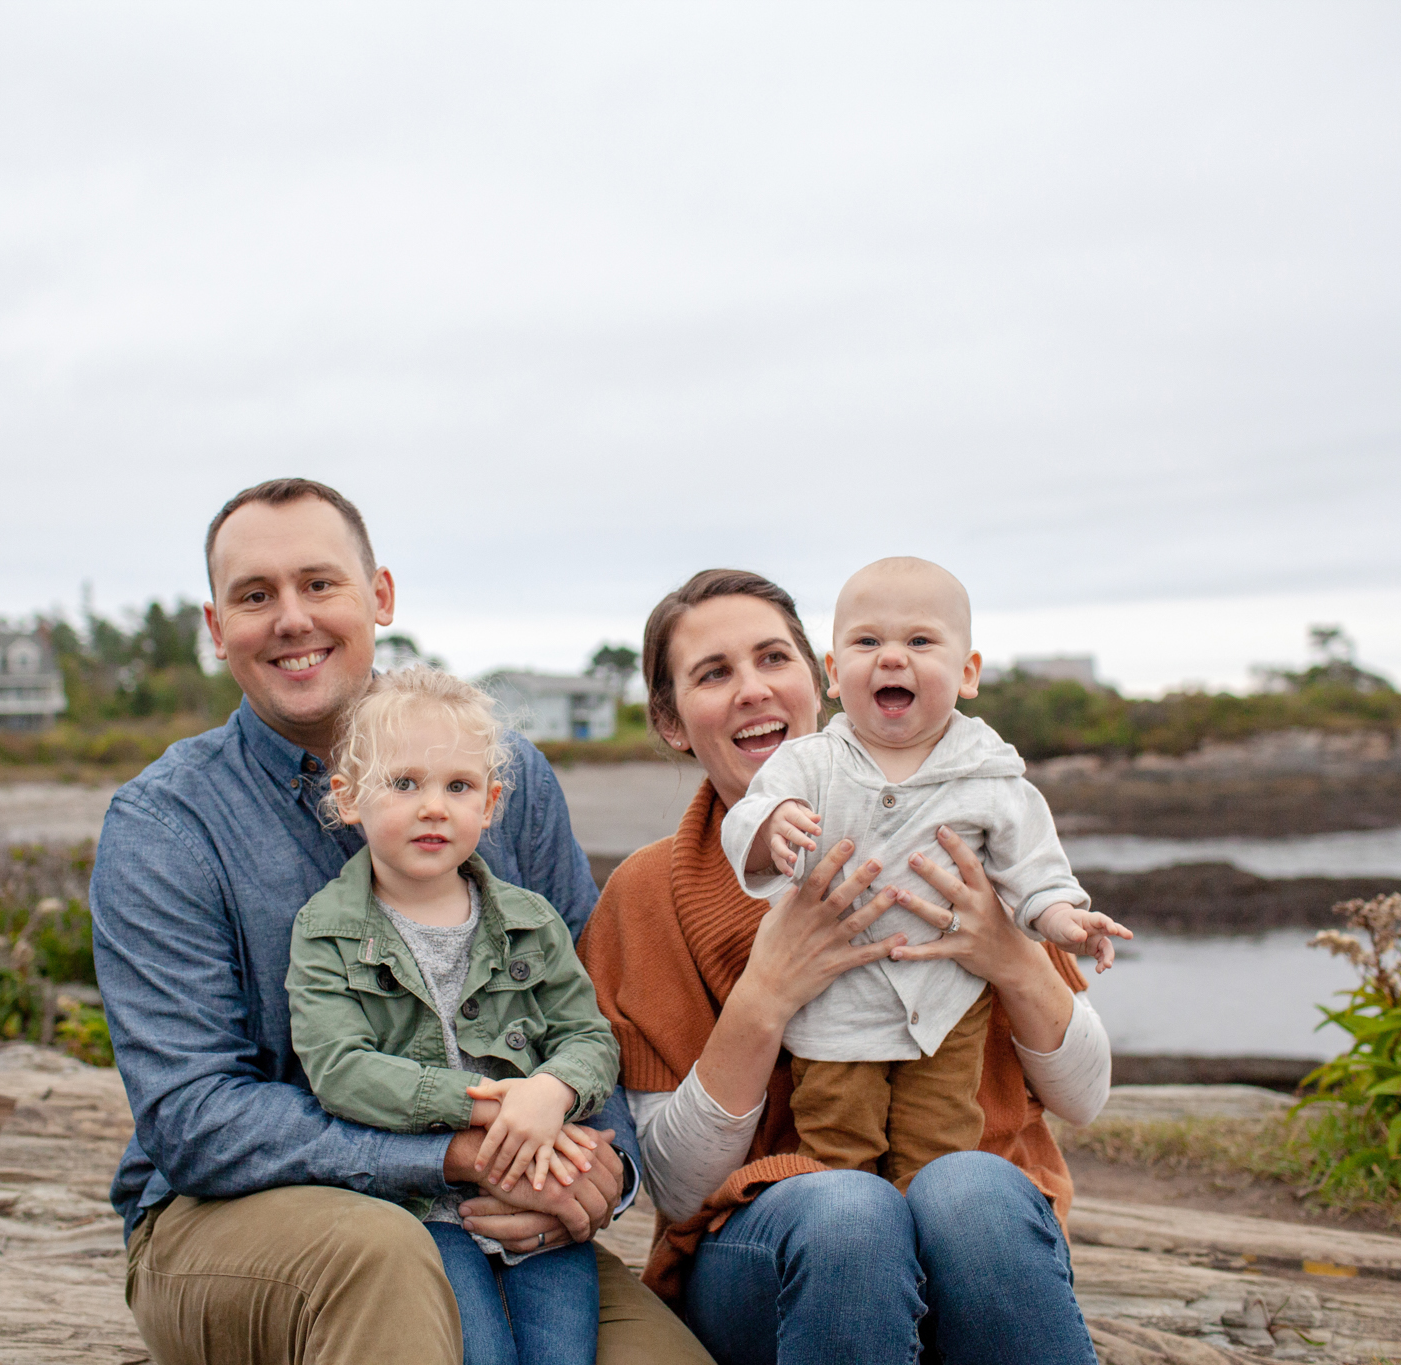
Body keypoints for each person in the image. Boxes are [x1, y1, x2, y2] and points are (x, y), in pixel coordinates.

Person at [90, 478, 710, 1365]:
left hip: (501, 1207)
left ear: (379, 595)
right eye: (255, 596)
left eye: (320, 583)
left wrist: (601, 1169)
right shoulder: (167, 824)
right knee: (385, 1260)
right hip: (232, 1219)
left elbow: (589, 1003)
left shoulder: (510, 775)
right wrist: (453, 1155)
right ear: (216, 626)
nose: (292, 618)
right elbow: (194, 1119)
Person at [577, 568, 1111, 1365]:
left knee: (969, 1190)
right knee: (848, 1211)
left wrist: (1012, 956)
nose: (753, 689)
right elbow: (678, 1186)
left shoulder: (956, 821)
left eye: (772, 659)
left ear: (819, 680)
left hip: (978, 1241)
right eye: (714, 674)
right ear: (672, 720)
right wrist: (766, 995)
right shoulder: (649, 891)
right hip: (771, 1252)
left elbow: (1084, 1097)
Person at [721, 556, 1130, 1191]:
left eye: (918, 641)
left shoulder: (989, 773)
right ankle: (855, 1247)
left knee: (939, 1150)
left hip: (946, 1007)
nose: (891, 657)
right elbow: (744, 821)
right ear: (833, 674)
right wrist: (771, 824)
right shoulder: (808, 763)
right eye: (866, 641)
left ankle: (929, 1250)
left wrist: (1064, 918)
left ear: (968, 673)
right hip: (838, 1006)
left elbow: (1033, 869)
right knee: (837, 1143)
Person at [288, 666, 620, 1365]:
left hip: (539, 1191)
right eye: (404, 783)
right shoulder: (327, 929)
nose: (434, 806)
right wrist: (486, 1104)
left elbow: (588, 1035)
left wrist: (550, 1092)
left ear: (492, 803)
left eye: (458, 786)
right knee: (482, 1353)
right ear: (349, 799)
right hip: (416, 1211)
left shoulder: (531, 922)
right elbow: (339, 1070)